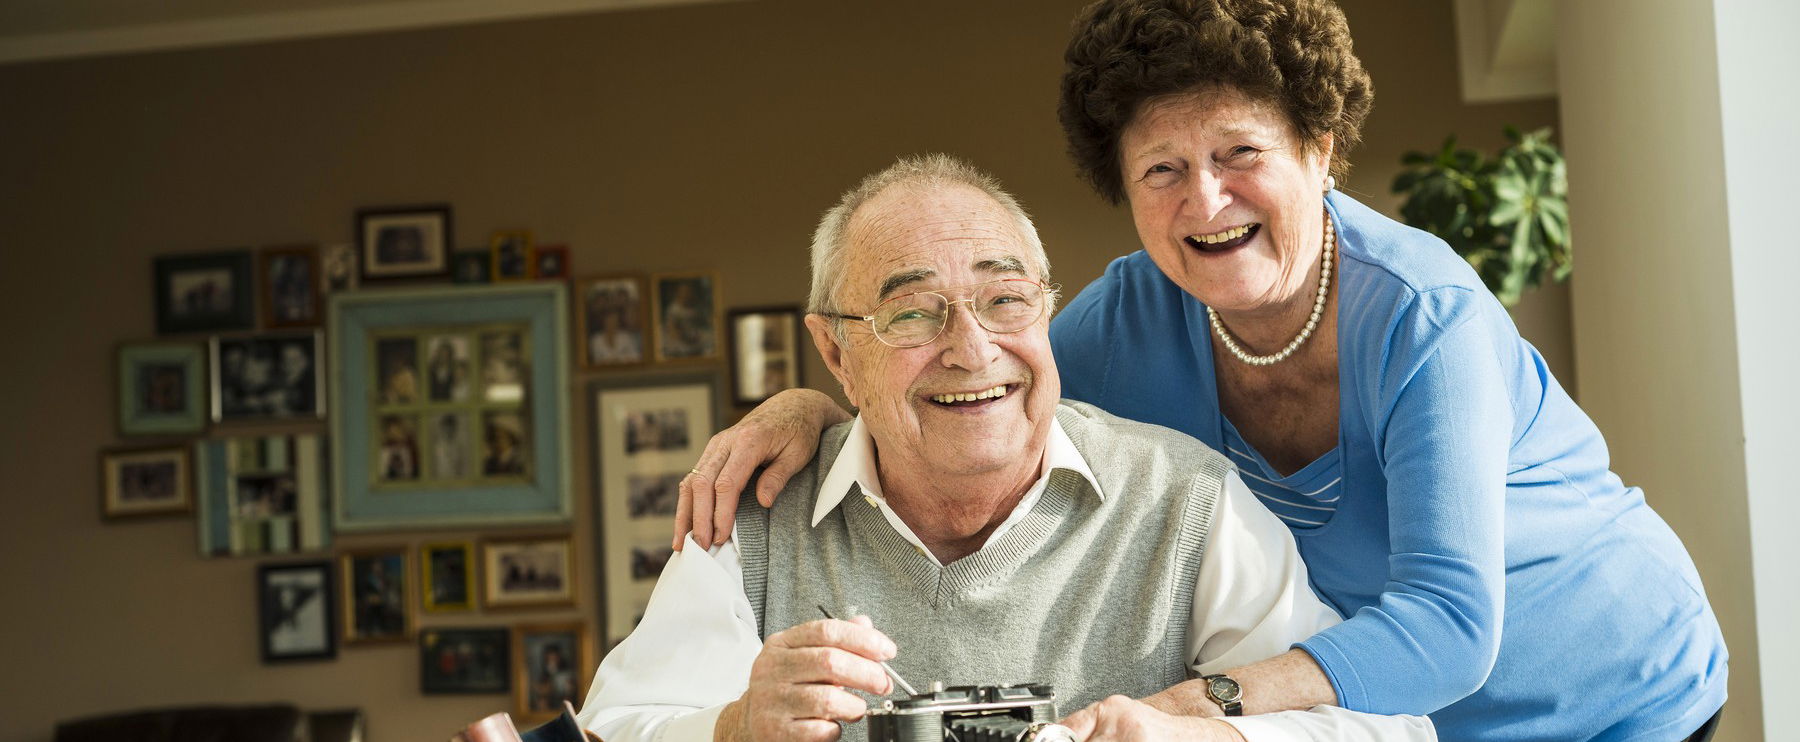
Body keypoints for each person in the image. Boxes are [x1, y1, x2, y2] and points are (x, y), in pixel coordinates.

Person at [672, 3, 1728, 741]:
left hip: (1619, 694)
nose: (1206, 201)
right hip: (1406, 725)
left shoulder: (1422, 315)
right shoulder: (1124, 326)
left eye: (1240, 154)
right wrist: (814, 405)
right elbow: (979, 383)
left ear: (1321, 147)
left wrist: (1198, 706)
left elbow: (1450, 631)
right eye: (1163, 170)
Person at [578, 155, 1433, 742]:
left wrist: (1202, 735)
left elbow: (1384, 728)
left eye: (1006, 299)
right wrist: (732, 729)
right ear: (836, 354)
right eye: (912, 314)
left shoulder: (1185, 500)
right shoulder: (752, 511)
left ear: (1047, 311)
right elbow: (612, 729)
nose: (972, 348)